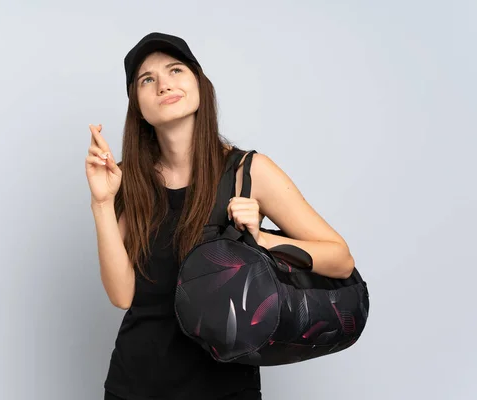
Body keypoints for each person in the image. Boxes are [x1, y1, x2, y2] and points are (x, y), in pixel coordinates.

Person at [86, 32, 355, 400]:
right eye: (147, 79)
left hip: (225, 389)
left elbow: (340, 261)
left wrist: (263, 240)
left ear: (199, 83)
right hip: (134, 385)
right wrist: (102, 202)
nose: (164, 84)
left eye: (175, 70)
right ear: (138, 106)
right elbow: (122, 295)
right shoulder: (126, 180)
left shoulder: (248, 172)